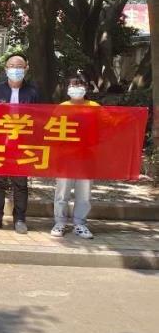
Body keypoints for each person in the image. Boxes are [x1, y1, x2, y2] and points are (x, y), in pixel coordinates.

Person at [0, 53, 40, 234]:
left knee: (20, 183)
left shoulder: (33, 92)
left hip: (23, 145)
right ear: (6, 69)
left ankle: (20, 219)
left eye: (19, 67)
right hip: (0, 143)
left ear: (26, 69)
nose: (16, 70)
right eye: (12, 66)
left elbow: (41, 118)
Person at [52, 75, 100, 239]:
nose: (76, 88)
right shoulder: (62, 108)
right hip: (65, 157)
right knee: (62, 192)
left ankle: (80, 224)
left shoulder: (94, 107)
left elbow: (106, 127)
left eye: (80, 85)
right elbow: (53, 131)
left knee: (84, 193)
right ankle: (60, 222)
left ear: (86, 88)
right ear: (67, 89)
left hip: (87, 156)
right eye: (73, 85)